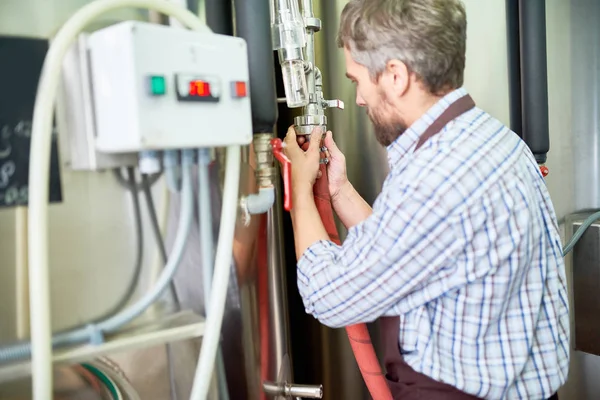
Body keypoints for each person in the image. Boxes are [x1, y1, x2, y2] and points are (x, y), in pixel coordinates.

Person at [282, 0, 570, 399]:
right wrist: (340, 191)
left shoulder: (433, 178)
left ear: (396, 76)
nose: (361, 100)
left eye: (358, 81)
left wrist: (298, 188)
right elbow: (412, 252)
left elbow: (326, 294)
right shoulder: (499, 141)